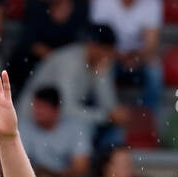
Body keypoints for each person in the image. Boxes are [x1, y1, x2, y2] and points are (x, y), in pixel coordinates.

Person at [19, 24, 126, 154]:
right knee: (84, 127)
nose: (108, 55)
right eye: (105, 50)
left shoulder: (101, 63)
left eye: (110, 51)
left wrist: (101, 77)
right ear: (92, 45)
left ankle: (109, 169)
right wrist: (105, 116)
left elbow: (110, 108)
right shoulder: (69, 62)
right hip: (33, 115)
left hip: (60, 118)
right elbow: (65, 109)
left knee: (114, 131)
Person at [90, 0, 162, 112]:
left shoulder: (151, 3)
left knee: (155, 71)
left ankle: (150, 117)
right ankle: (108, 114)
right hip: (110, 55)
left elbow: (151, 44)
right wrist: (120, 56)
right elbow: (98, 40)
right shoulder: (102, 2)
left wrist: (136, 57)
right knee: (100, 67)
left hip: (139, 57)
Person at [7, 0, 90, 90]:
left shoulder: (81, 8)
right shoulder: (36, 6)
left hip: (69, 62)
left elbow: (81, 43)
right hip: (35, 61)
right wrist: (54, 59)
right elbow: (29, 41)